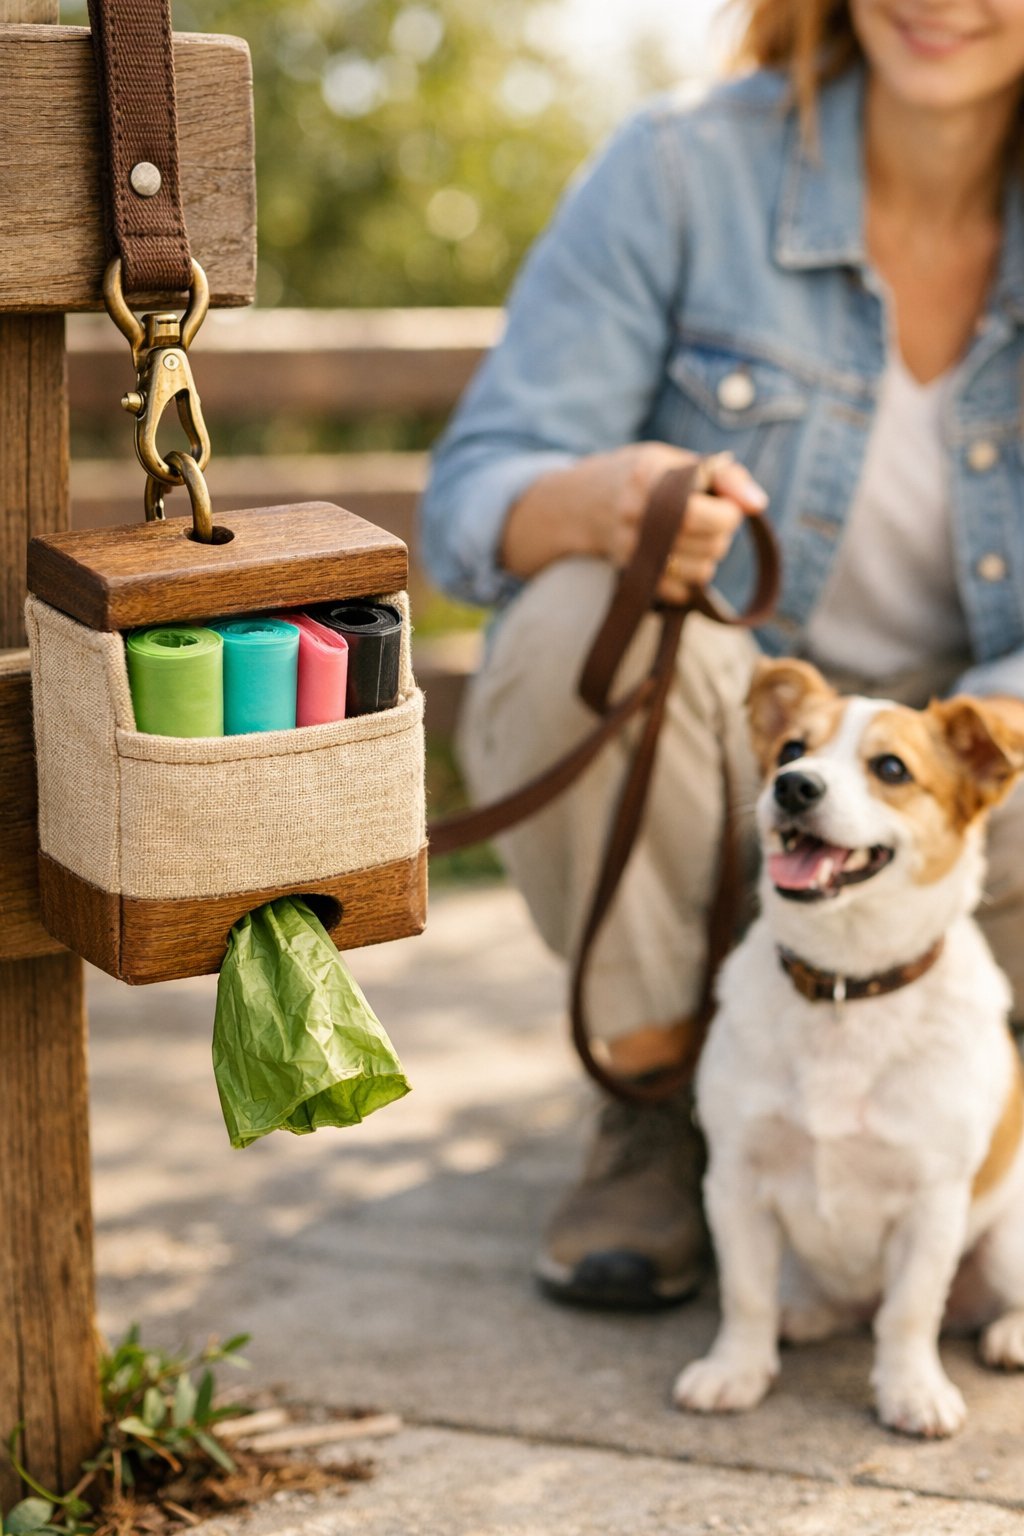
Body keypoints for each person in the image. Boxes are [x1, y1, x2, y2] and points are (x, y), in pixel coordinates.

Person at [419, 0, 1024, 1311]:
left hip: (985, 816)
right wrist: (604, 498)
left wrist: (964, 756)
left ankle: (970, 1123)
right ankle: (660, 1102)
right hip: (710, 763)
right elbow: (474, 492)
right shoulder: (681, 168)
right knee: (581, 611)